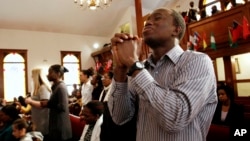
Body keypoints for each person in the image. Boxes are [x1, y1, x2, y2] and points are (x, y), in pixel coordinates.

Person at [109, 8, 217, 141]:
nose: (147, 23)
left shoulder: (197, 61)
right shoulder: (141, 68)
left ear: (176, 30)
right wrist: (120, 68)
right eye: (147, 20)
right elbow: (120, 117)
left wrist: (133, 63)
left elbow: (175, 119)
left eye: (157, 18)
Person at [25, 64, 72, 141]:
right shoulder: (55, 86)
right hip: (55, 123)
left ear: (58, 74)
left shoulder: (61, 87)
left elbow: (63, 107)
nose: (48, 75)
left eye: (50, 73)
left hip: (60, 124)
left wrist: (47, 104)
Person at [29, 68, 51, 140]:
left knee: (42, 137)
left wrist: (30, 101)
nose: (31, 77)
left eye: (32, 76)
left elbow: (44, 104)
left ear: (36, 76)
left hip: (42, 119)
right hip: (37, 118)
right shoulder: (38, 88)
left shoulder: (43, 87)